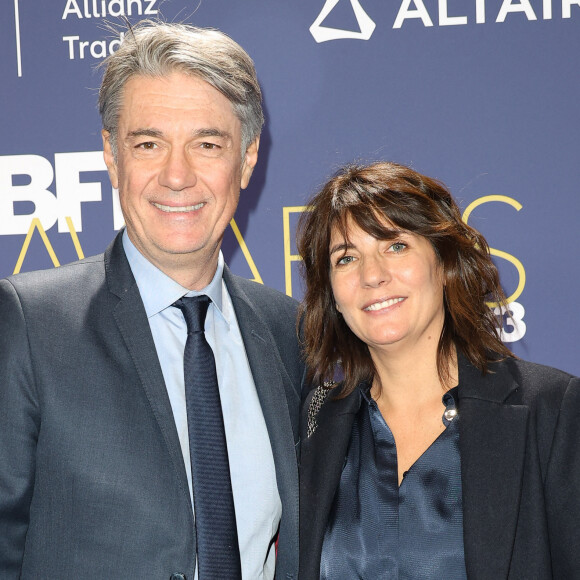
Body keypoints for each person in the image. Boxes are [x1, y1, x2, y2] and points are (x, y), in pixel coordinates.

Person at [0, 21, 303, 579]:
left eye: (207, 144)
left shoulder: (289, 331)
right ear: (112, 157)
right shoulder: (28, 323)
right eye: (148, 144)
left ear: (248, 158)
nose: (177, 175)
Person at [296, 161, 580, 579]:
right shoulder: (317, 423)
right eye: (346, 258)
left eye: (395, 246)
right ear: (332, 295)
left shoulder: (551, 411)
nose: (372, 275)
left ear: (443, 264)